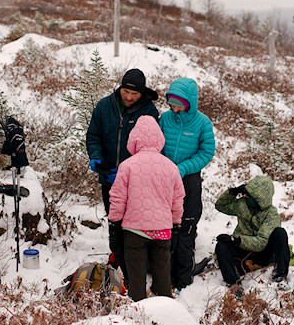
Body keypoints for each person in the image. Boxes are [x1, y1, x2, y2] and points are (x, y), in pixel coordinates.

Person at [86, 68, 159, 281]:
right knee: (114, 218)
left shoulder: (149, 112)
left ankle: (133, 262)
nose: (129, 97)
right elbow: (93, 135)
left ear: (142, 93)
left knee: (132, 221)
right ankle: (117, 254)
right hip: (108, 176)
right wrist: (95, 157)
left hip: (135, 180)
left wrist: (129, 169)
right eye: (126, 91)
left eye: (134, 94)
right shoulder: (104, 106)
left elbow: (152, 146)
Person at [108, 115, 185, 301]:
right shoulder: (171, 167)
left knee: (136, 278)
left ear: (134, 139)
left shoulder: (127, 166)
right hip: (162, 231)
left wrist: (114, 222)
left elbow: (118, 198)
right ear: (159, 139)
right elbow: (178, 200)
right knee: (163, 276)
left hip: (134, 231)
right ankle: (165, 308)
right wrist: (176, 224)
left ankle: (138, 311)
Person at [159, 77, 215, 291]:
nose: (174, 107)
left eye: (178, 103)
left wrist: (182, 168)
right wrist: (162, 164)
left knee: (186, 226)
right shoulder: (165, 119)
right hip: (164, 179)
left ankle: (183, 277)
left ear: (190, 102)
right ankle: (163, 271)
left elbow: (206, 152)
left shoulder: (202, 123)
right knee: (165, 226)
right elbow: (157, 143)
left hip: (189, 180)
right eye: (171, 102)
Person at [214, 175, 291, 293]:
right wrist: (232, 192)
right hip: (243, 251)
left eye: (248, 195)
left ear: (259, 199)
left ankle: (280, 277)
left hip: (263, 253)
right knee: (221, 245)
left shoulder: (271, 214)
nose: (244, 196)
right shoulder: (242, 205)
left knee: (280, 233)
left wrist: (236, 240)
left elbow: (261, 242)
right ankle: (234, 284)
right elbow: (220, 205)